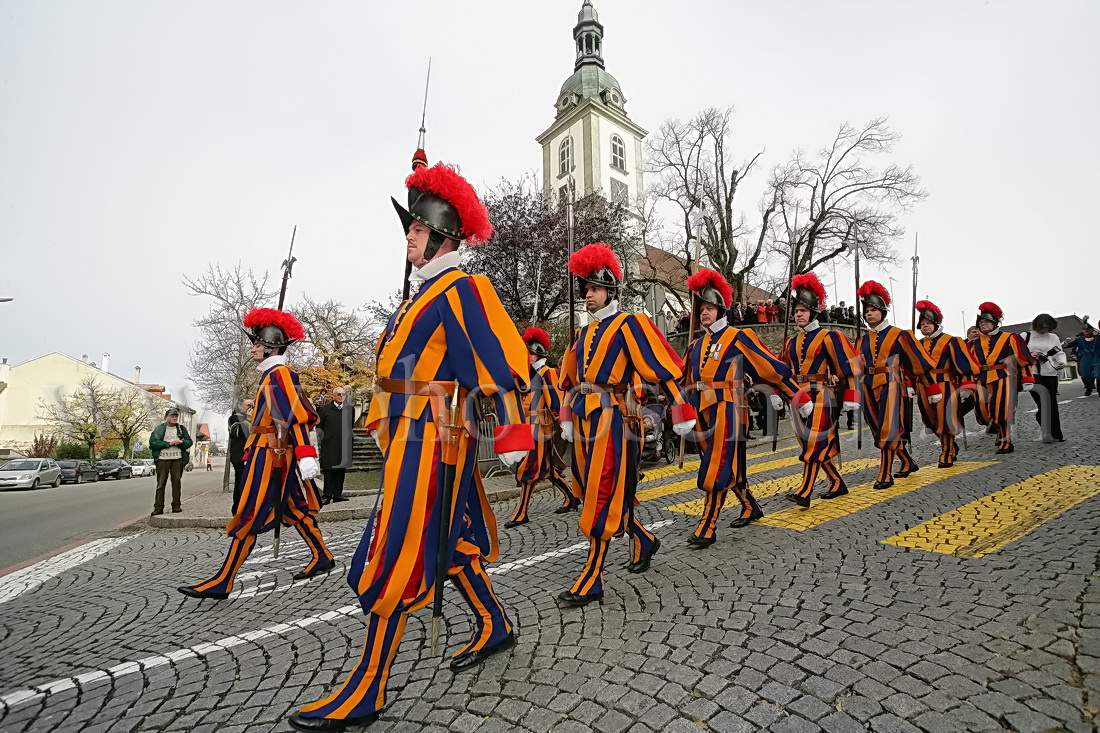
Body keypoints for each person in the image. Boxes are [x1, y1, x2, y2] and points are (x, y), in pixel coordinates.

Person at [289, 162, 533, 732]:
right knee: (449, 544)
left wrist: (517, 439)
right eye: (409, 227)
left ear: (444, 236)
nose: (409, 235)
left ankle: (369, 687)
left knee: (396, 552)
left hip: (432, 439)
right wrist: (420, 180)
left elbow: (502, 365)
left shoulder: (461, 287)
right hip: (412, 437)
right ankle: (493, 623)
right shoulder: (421, 295)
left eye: (418, 227)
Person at [555, 243, 695, 607]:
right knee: (589, 489)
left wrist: (680, 408)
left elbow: (659, 368)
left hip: (613, 420)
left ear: (610, 290)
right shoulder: (582, 335)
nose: (588, 295)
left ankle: (593, 575)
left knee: (602, 491)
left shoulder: (631, 324)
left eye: (595, 288)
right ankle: (643, 538)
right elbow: (567, 382)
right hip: (584, 421)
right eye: (585, 289)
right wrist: (566, 417)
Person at [178, 308, 334, 601]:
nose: (253, 348)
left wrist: (304, 454)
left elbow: (294, 417)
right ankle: (322, 555)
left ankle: (224, 581)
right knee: (294, 509)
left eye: (257, 344)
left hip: (271, 454)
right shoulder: (272, 376)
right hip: (269, 451)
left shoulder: (280, 375)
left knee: (248, 513)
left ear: (272, 347)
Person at [682, 269, 800, 545]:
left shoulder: (738, 337)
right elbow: (683, 381)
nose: (704, 314)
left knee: (717, 466)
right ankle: (750, 506)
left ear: (721, 309)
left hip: (730, 410)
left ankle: (708, 525)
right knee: (724, 465)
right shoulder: (696, 346)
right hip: (702, 412)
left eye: (710, 308)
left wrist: (795, 396)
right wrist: (681, 412)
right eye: (701, 309)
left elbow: (770, 368)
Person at [780, 273, 859, 507]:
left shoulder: (830, 337)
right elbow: (781, 369)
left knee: (814, 441)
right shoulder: (789, 342)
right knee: (808, 442)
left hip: (821, 393)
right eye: (796, 311)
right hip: (797, 396)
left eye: (803, 310)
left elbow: (850, 366)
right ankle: (836, 482)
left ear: (813, 313)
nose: (798, 314)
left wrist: (852, 396)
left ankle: (805, 491)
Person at [855, 281, 939, 489]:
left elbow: (918, 363)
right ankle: (907, 462)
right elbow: (854, 367)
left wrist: (931, 388)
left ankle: (885, 473)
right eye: (866, 311)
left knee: (888, 429)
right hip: (868, 386)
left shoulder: (900, 335)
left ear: (882, 312)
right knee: (877, 428)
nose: (869, 314)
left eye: (873, 310)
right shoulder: (861, 340)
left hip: (892, 385)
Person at [506, 327, 578, 527]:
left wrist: (563, 425)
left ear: (537, 353)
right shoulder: (528, 375)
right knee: (547, 470)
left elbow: (555, 402)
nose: (527, 357)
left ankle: (521, 512)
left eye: (529, 353)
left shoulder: (547, 373)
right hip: (529, 428)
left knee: (528, 471)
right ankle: (571, 497)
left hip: (540, 429)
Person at [913, 300, 980, 467]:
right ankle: (949, 446)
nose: (925, 326)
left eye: (928, 323)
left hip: (945, 384)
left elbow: (963, 364)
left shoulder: (951, 341)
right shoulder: (918, 344)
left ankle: (946, 452)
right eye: (922, 324)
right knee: (930, 421)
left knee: (945, 420)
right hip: (923, 387)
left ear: (936, 324)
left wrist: (967, 385)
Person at [971, 301, 1035, 454]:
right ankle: (998, 432)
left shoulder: (1010, 338)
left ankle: (1005, 440)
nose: (983, 324)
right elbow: (970, 363)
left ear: (995, 322)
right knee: (982, 412)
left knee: (1000, 410)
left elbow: (1022, 359)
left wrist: (1027, 378)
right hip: (981, 378)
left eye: (986, 321)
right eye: (981, 322)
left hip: (1003, 376)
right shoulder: (975, 343)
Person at [1025, 313, 1066, 442]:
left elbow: (1059, 352)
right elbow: (1019, 353)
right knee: (1043, 403)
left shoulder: (1053, 337)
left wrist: (1061, 362)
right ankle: (1047, 430)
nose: (1044, 331)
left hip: (1050, 374)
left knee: (1052, 404)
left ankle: (1055, 434)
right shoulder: (1026, 336)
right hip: (1033, 374)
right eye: (1042, 327)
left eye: (1047, 328)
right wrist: (1030, 355)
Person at [149, 408, 193, 515]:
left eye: (176, 416)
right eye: (172, 416)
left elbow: (189, 442)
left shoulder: (181, 429)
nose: (174, 418)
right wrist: (168, 444)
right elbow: (153, 444)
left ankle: (176, 506)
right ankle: (158, 508)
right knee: (161, 484)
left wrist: (181, 443)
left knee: (176, 483)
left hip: (177, 459)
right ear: (166, 418)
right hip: (162, 459)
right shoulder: (159, 429)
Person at [317, 386, 353, 504]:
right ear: (333, 395)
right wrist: (325, 438)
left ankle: (338, 494)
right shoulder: (324, 409)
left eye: (343, 394)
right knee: (328, 470)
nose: (341, 396)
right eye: (338, 394)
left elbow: (350, 426)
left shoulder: (350, 409)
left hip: (343, 445)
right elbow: (319, 427)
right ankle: (327, 495)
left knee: (341, 470)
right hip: (329, 444)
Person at [227, 397, 252, 514]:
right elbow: (238, 432)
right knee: (241, 483)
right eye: (248, 405)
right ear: (240, 406)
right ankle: (237, 510)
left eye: (252, 405)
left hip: (253, 455)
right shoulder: (233, 418)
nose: (250, 408)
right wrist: (248, 420)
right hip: (240, 456)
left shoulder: (255, 417)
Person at [1066, 323, 1099, 396]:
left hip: (1097, 358)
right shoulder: (1079, 340)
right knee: (1084, 375)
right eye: (1084, 329)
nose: (1086, 330)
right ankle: (1088, 388)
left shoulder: (1098, 338)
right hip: (1085, 360)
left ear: (1092, 330)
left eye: (1088, 329)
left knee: (1098, 374)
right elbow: (1068, 346)